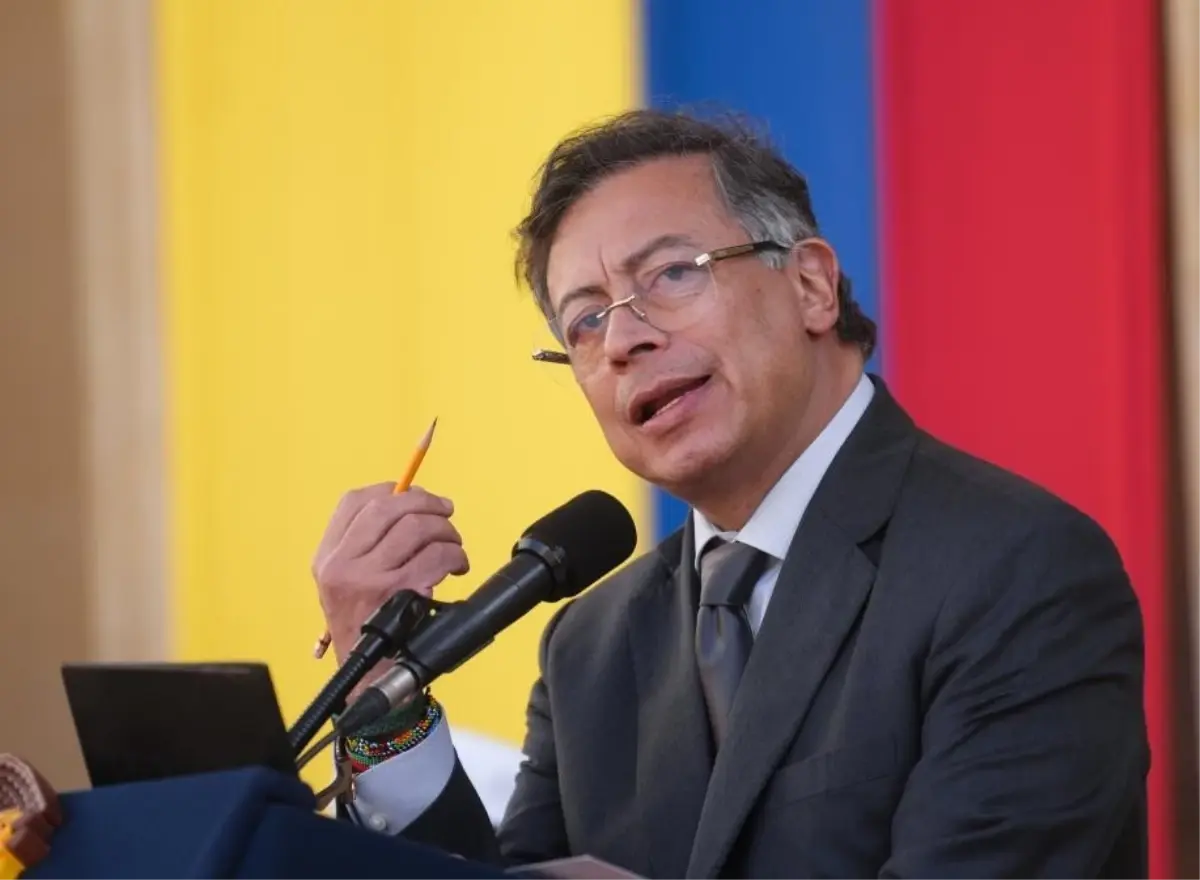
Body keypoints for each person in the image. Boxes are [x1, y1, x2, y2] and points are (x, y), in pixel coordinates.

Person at [311, 110, 1148, 878]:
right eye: (586, 321)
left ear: (811, 285)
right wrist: (382, 703)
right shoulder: (590, 648)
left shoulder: (1016, 569)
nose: (625, 339)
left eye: (672, 274)